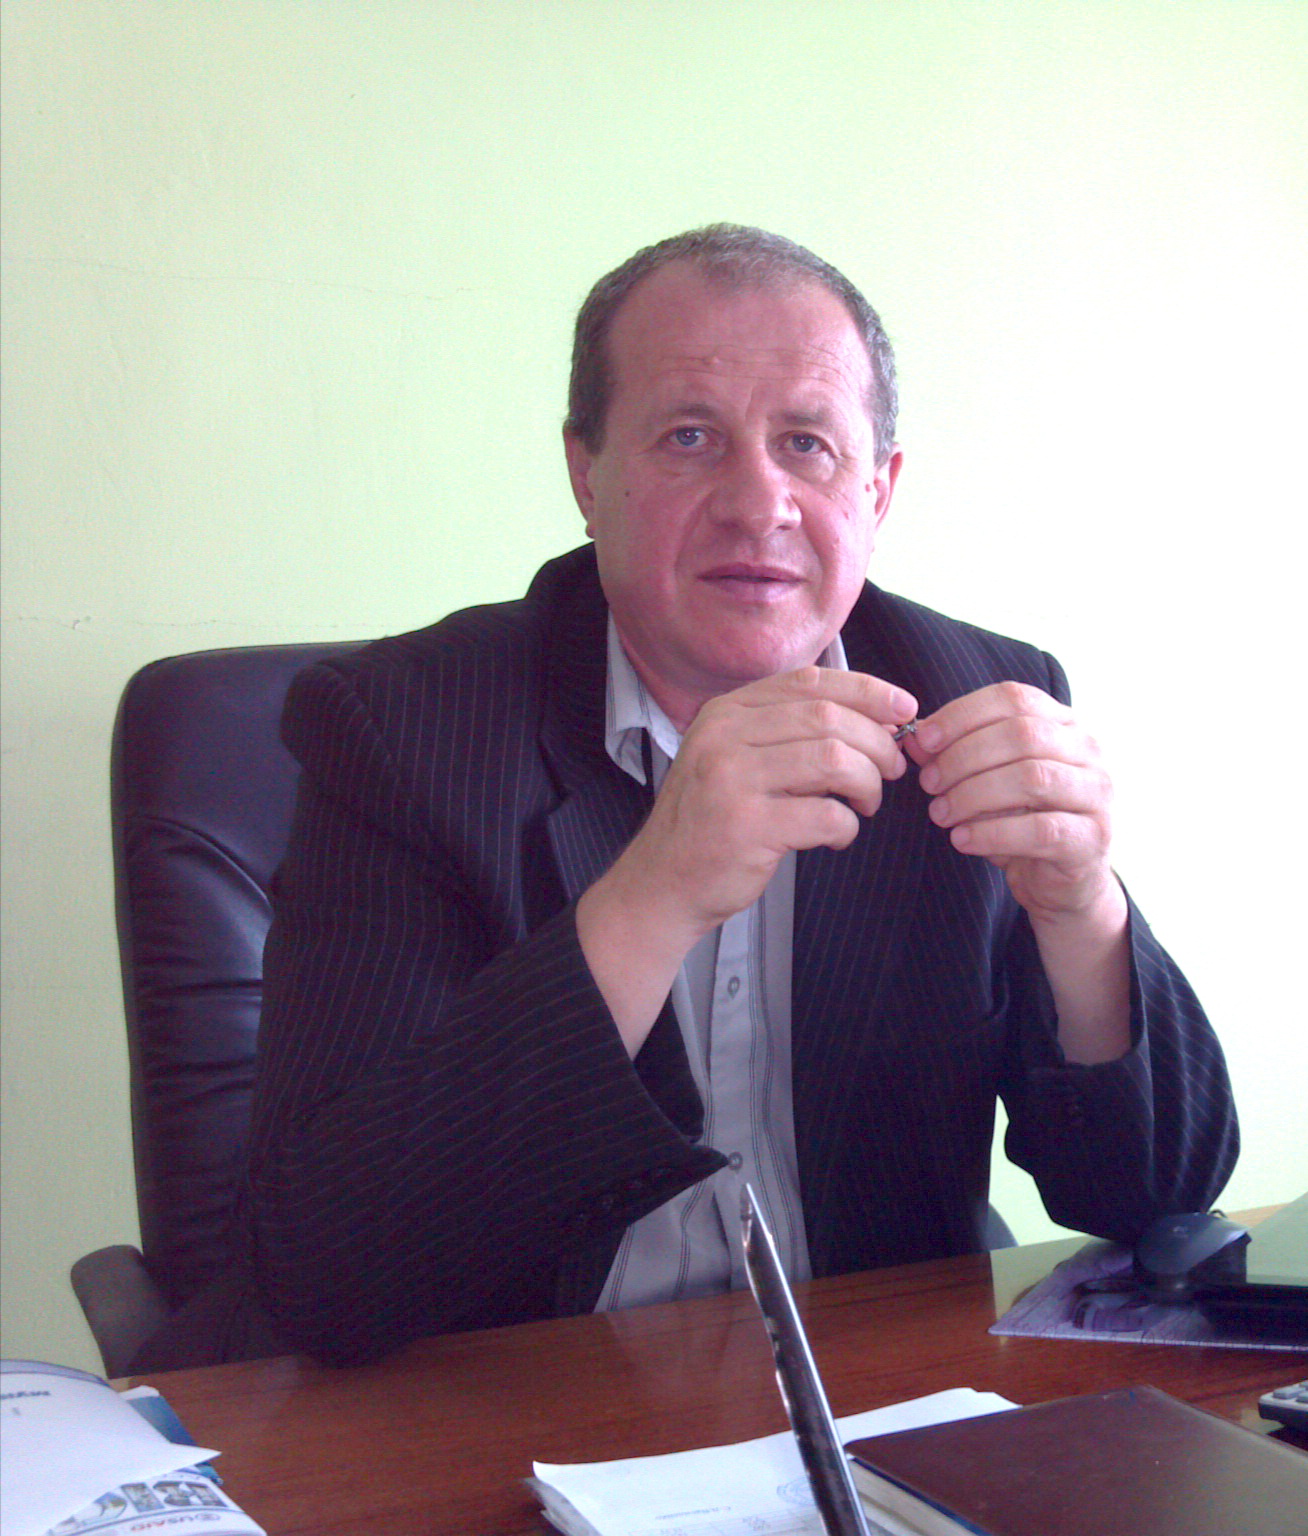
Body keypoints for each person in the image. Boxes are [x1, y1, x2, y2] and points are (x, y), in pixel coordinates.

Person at [172, 225, 1238, 1369]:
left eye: (806, 444)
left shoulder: (974, 702)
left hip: (880, 1390)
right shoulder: (404, 732)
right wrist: (654, 893)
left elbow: (1157, 1200)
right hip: (519, 1402)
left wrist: (1081, 909)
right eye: (689, 437)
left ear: (877, 491)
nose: (756, 502)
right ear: (586, 474)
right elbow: (326, 1266)